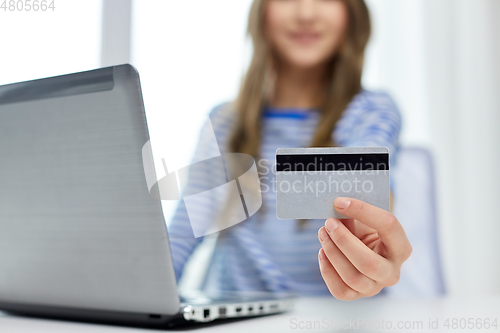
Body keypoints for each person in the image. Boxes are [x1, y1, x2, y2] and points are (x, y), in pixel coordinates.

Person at [167, 0, 412, 300]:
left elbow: (373, 183)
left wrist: (368, 235)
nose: (306, 14)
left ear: (352, 13)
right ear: (262, 13)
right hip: (236, 318)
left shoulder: (371, 112)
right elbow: (181, 235)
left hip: (337, 320)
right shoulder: (225, 123)